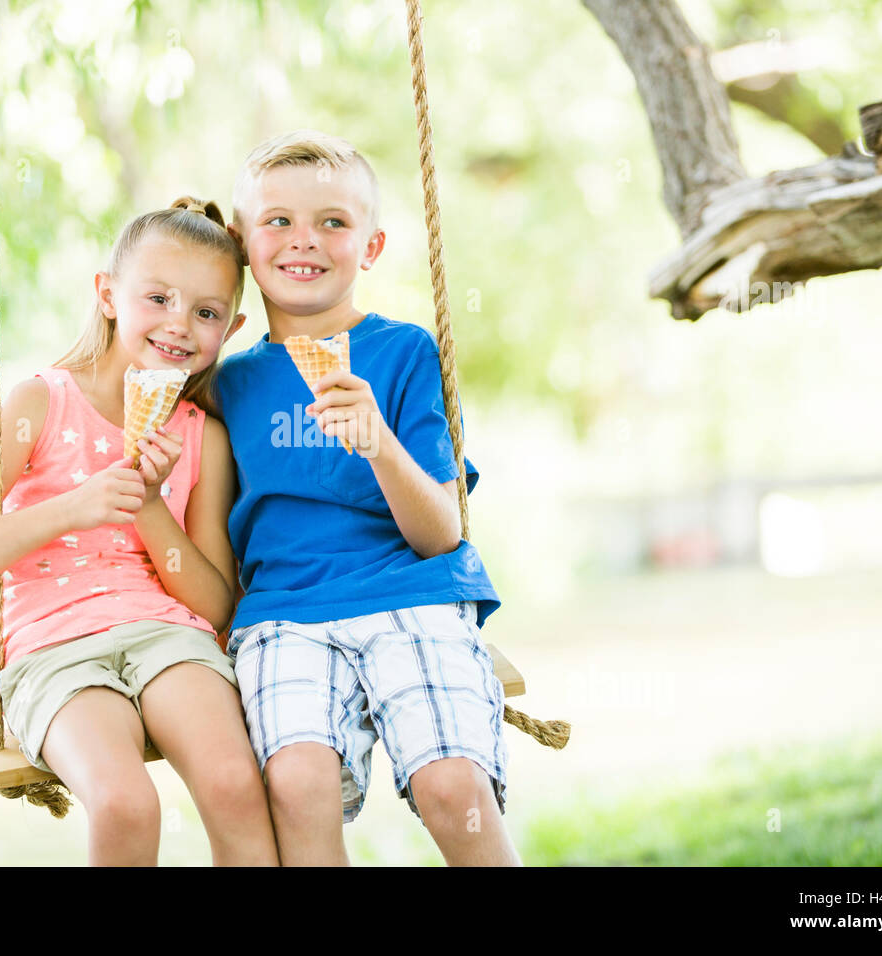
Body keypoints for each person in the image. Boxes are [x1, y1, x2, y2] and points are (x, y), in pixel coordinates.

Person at [0, 197, 279, 867]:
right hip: (54, 647)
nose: (179, 324)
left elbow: (216, 603)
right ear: (108, 294)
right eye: (159, 298)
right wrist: (76, 505)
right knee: (124, 804)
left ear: (229, 328)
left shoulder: (205, 438)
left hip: (169, 636)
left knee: (235, 783)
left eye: (204, 312)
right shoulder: (40, 404)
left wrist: (145, 502)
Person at [218, 130, 519, 865]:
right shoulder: (226, 384)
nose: (304, 241)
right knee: (297, 783)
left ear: (372, 246)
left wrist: (379, 441)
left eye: (334, 222)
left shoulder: (405, 352)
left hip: (409, 591)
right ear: (242, 242)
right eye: (278, 220)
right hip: (284, 614)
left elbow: (441, 535)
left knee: (452, 785)